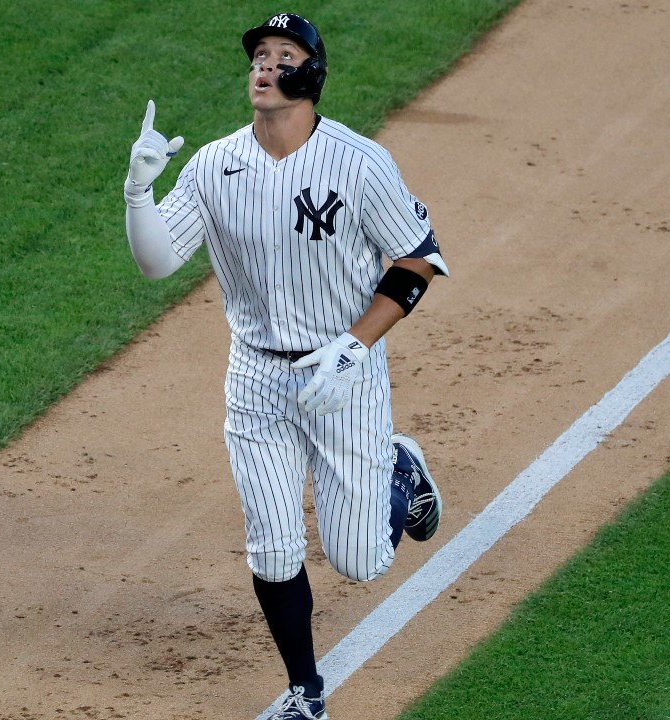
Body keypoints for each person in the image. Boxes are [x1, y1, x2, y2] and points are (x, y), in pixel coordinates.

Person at [122, 12, 448, 719]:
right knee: (271, 547)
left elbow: (417, 259)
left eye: (282, 55)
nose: (265, 66)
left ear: (312, 76)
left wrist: (356, 344)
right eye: (259, 56)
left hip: (343, 372)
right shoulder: (215, 164)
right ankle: (306, 695)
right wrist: (138, 191)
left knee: (360, 560)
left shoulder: (359, 163)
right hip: (258, 379)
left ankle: (402, 473)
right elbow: (156, 263)